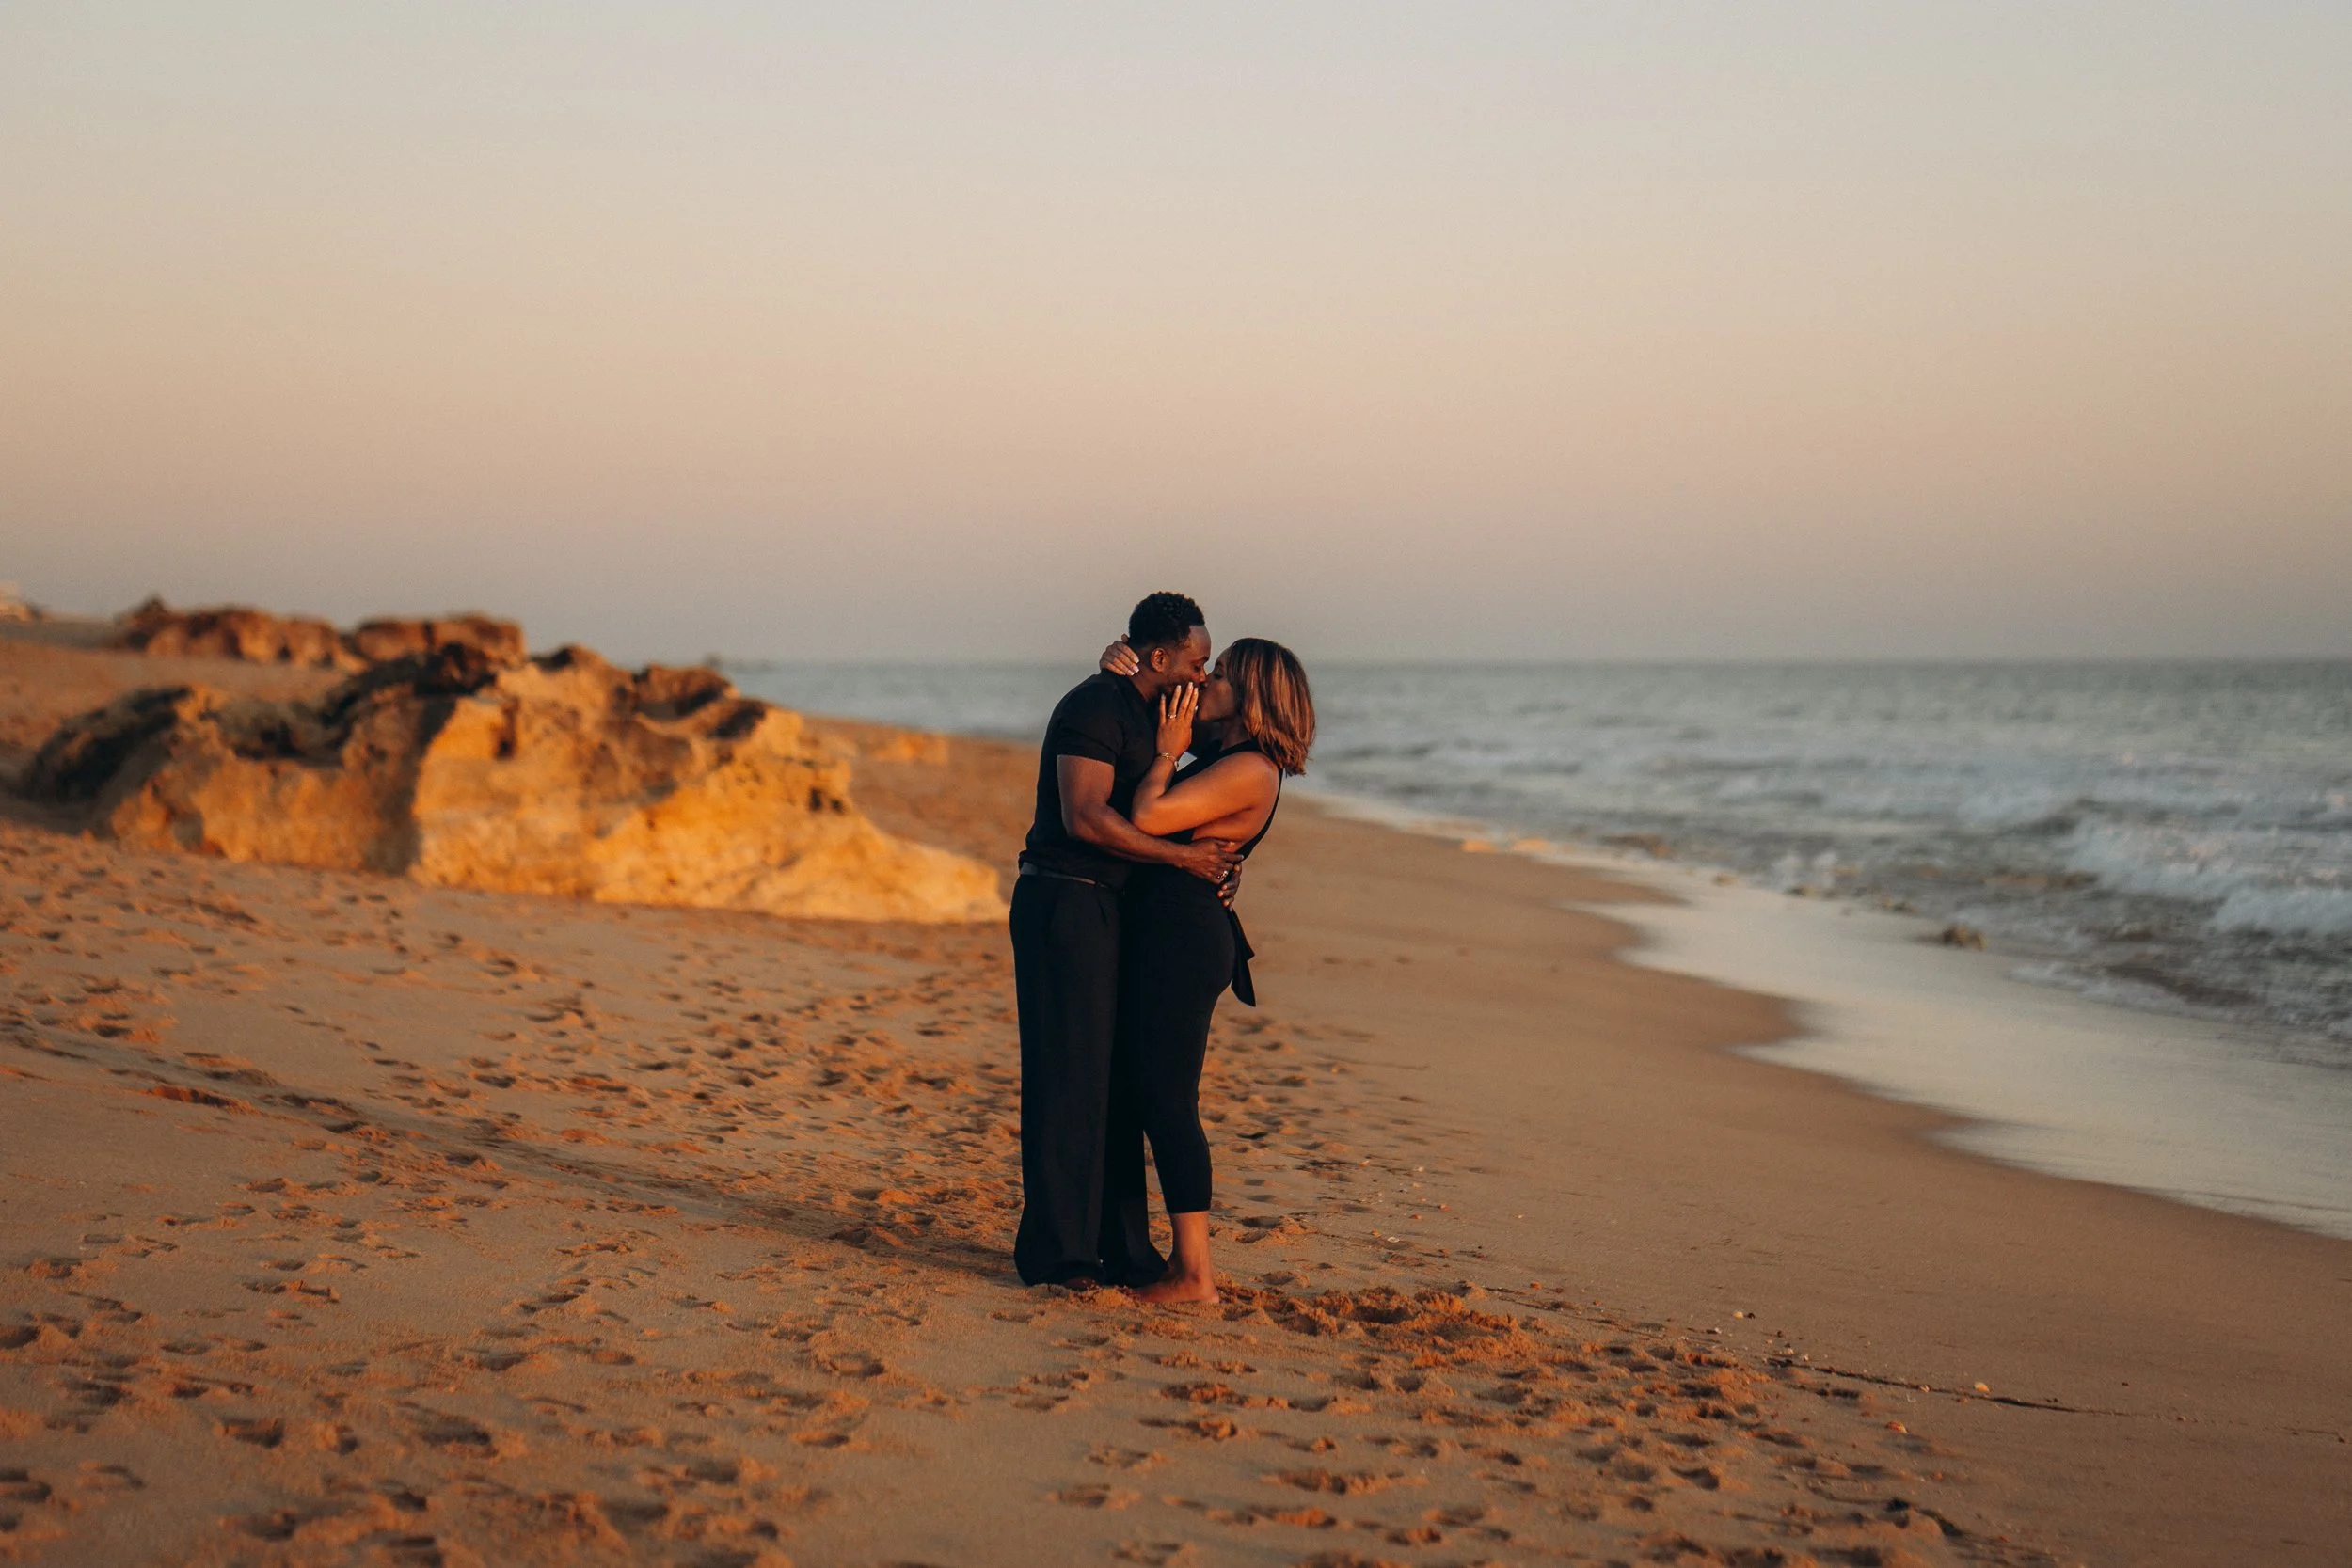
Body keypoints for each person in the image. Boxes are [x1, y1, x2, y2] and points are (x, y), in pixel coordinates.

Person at [1009, 593, 1239, 1288]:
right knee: (1067, 1077)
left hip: (1117, 911)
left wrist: (1229, 862)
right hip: (1064, 901)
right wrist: (1184, 860)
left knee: (1116, 1084)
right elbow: (1084, 817)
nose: (1202, 676)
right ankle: (1059, 1256)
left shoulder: (1161, 716)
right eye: (1196, 662)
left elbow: (1225, 773)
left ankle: (1124, 1251)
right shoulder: (1094, 706)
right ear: (1159, 656)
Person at [1096, 636, 1316, 1304]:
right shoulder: (1224, 754)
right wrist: (1120, 669)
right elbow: (1146, 735)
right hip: (1165, 931)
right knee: (1141, 1091)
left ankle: (1195, 1273)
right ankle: (1156, 1257)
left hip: (1184, 941)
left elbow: (1148, 813)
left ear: (1252, 696)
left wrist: (1168, 753)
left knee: (1168, 1099)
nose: (1204, 682)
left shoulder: (1252, 767)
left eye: (1219, 675)